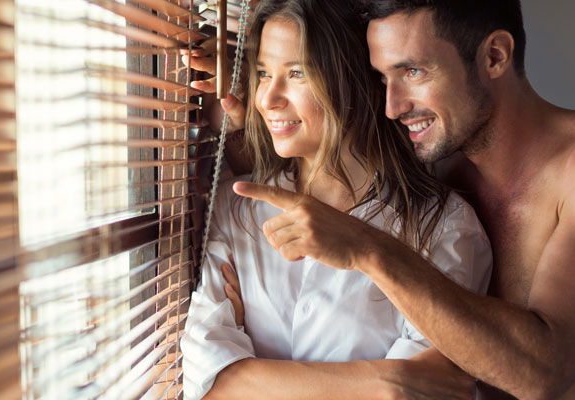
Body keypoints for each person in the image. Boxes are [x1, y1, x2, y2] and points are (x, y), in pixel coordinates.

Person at [224, 0, 575, 398]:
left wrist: (366, 248)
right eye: (381, 77)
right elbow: (324, 154)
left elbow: (545, 373)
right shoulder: (434, 153)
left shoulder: (567, 172)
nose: (392, 106)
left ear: (494, 56)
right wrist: (239, 113)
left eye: (413, 71)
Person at [179, 0, 492, 398]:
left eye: (296, 73)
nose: (267, 99)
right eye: (262, 73)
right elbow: (208, 385)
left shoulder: (445, 228)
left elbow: (426, 392)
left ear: (354, 81)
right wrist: (383, 380)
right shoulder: (235, 206)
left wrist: (248, 376)